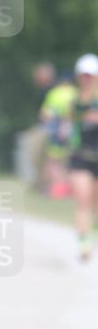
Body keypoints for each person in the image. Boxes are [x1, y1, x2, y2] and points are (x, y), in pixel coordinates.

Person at [67, 54, 98, 261]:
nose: (87, 79)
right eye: (84, 75)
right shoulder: (74, 101)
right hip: (80, 156)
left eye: (90, 75)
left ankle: (91, 235)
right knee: (83, 200)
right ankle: (83, 243)